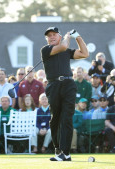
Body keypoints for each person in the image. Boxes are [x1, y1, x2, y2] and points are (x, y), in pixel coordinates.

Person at [41, 27, 88, 161]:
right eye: (49, 36)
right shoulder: (46, 50)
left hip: (68, 85)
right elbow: (63, 46)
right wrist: (68, 36)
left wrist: (77, 36)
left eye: (54, 34)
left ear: (59, 36)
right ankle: (58, 150)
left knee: (67, 118)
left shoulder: (66, 51)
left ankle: (65, 153)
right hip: (53, 85)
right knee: (55, 119)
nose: (51, 37)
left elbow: (85, 53)